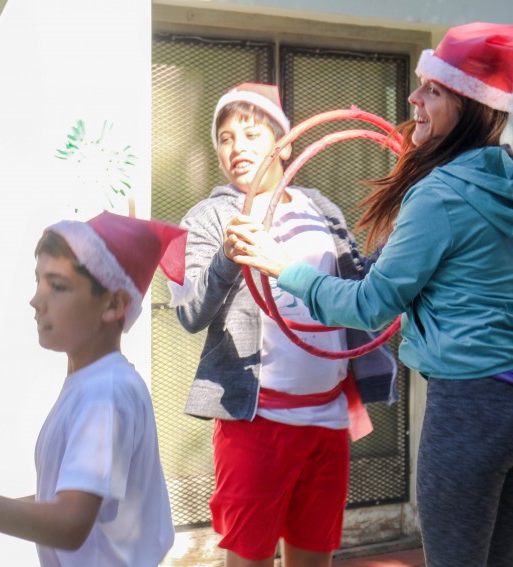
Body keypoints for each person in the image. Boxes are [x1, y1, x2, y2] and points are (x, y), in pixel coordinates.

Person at [228, 22, 513, 567]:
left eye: (432, 89)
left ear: (472, 105)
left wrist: (281, 264)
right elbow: (452, 275)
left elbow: (369, 306)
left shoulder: (440, 192)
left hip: (475, 408)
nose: (413, 98)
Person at [167, 83, 396, 567]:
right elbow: (189, 312)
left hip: (328, 417)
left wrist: (403, 243)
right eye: (225, 139)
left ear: (285, 145)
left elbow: (357, 288)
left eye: (251, 134)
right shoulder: (209, 217)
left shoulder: (321, 208)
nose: (236, 148)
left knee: (314, 557)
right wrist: (228, 258)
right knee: (248, 558)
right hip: (256, 422)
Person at [0, 211, 183, 567]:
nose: (36, 300)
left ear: (114, 304)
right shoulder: (93, 383)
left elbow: (68, 524)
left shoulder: (105, 394)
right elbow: (55, 504)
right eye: (38, 282)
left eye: (57, 286)